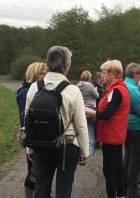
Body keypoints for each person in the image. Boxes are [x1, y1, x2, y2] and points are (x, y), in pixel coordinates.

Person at [25, 46, 89, 198]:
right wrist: (84, 151)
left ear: (47, 64)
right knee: (64, 188)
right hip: (67, 146)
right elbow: (81, 124)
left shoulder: (34, 87)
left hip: (41, 144)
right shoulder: (73, 90)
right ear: (66, 66)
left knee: (41, 186)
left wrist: (30, 149)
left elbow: (28, 120)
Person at [85, 60, 130, 198]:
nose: (102, 75)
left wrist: (87, 110)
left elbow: (106, 114)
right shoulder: (116, 89)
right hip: (115, 135)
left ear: (114, 73)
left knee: (109, 170)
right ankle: (120, 195)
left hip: (112, 135)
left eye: (105, 72)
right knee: (117, 167)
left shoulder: (116, 90)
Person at [15, 62, 47, 198]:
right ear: (33, 74)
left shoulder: (39, 89)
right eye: (41, 73)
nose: (45, 75)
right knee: (33, 173)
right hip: (33, 138)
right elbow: (25, 120)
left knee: (40, 172)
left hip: (40, 137)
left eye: (45, 73)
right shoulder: (25, 92)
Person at [123, 62, 140, 198]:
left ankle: (124, 186)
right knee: (135, 159)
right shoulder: (132, 89)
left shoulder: (126, 84)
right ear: (135, 74)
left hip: (126, 127)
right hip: (136, 127)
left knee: (128, 156)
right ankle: (132, 190)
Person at [77, 70, 99, 156]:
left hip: (81, 109)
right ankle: (90, 152)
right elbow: (97, 96)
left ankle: (80, 151)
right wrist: (95, 89)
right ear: (89, 77)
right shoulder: (90, 86)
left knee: (81, 131)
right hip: (90, 110)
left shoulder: (78, 85)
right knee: (90, 131)